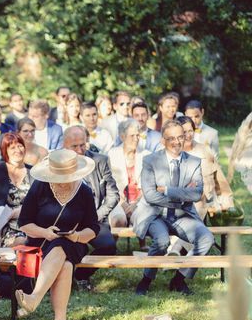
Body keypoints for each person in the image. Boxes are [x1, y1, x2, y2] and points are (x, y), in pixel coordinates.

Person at [15, 149, 99, 320]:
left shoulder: (84, 191)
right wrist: (45, 232)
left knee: (62, 245)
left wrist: (77, 236)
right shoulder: (40, 186)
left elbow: (93, 228)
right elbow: (24, 223)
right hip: (41, 242)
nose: (64, 180)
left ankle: (34, 298)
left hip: (74, 243)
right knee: (66, 265)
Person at [131, 120, 215, 295]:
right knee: (162, 241)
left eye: (180, 137)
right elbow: (150, 195)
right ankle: (146, 279)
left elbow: (197, 193)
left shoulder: (193, 162)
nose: (177, 142)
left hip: (182, 215)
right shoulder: (150, 160)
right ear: (163, 140)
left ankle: (178, 279)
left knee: (206, 238)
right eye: (171, 139)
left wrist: (168, 191)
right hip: (155, 214)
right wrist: (182, 196)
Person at [62, 126, 119, 290]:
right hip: (68, 220)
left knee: (109, 246)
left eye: (83, 145)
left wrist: (96, 216)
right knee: (76, 247)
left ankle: (81, 275)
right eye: (75, 146)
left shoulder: (100, 160)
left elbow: (113, 194)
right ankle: (67, 277)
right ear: (64, 145)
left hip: (95, 218)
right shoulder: (57, 163)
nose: (80, 150)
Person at [0, 132, 33, 248]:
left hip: (26, 223)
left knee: (24, 240)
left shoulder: (33, 172)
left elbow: (40, 203)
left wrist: (20, 212)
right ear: (5, 150)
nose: (18, 150)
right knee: (20, 242)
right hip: (0, 224)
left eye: (20, 145)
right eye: (12, 147)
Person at [106, 119, 150, 248]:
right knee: (118, 218)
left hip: (141, 200)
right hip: (118, 200)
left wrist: (135, 204)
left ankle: (143, 244)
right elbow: (110, 185)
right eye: (132, 136)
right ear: (122, 136)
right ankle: (111, 246)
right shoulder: (112, 154)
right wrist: (123, 204)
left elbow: (148, 186)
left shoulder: (146, 155)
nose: (136, 139)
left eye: (138, 135)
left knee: (142, 215)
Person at [179, 116, 234, 218]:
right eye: (184, 132)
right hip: (178, 209)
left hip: (202, 208)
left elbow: (219, 179)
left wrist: (227, 201)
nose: (188, 135)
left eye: (190, 131)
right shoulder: (172, 152)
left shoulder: (204, 150)